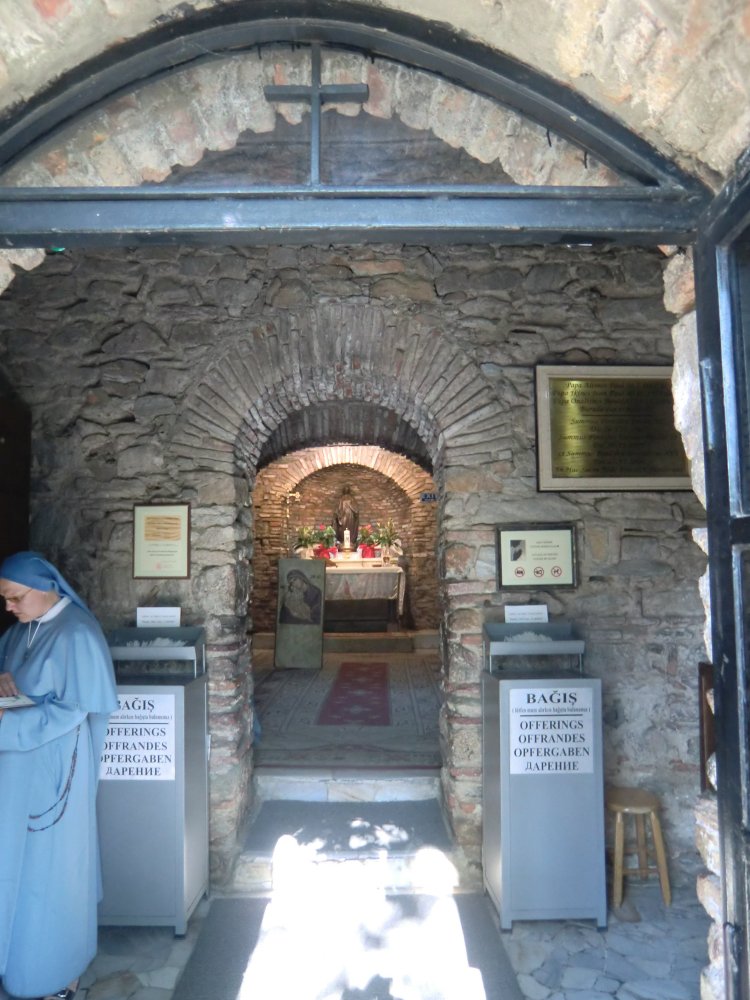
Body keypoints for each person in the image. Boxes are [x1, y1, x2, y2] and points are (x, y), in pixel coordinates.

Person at [0, 552, 118, 1000]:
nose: (9, 607)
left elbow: (76, 709)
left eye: (15, 598)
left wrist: (7, 725)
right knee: (16, 864)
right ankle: (16, 965)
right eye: (6, 599)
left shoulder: (79, 633)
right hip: (15, 770)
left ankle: (55, 974)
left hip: (56, 771)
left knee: (52, 871)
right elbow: (7, 672)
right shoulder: (23, 629)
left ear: (45, 587)